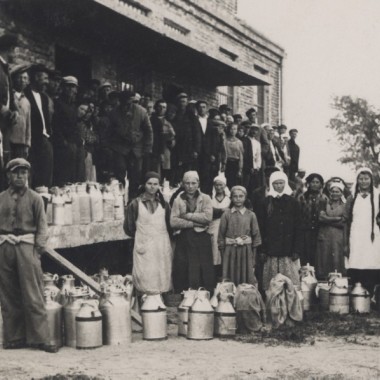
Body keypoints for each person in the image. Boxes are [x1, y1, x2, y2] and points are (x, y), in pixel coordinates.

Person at [0, 158, 57, 352]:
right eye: (16, 172)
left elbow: (42, 227)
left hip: (27, 247)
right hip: (5, 248)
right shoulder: (1, 198)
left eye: (23, 173)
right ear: (8, 175)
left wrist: (37, 250)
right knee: (9, 295)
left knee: (33, 294)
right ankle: (14, 338)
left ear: (28, 175)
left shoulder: (36, 199)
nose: (20, 176)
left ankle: (40, 339)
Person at [124, 172, 172, 294]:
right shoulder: (135, 204)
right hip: (144, 243)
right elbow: (129, 228)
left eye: (155, 184)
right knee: (144, 274)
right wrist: (143, 235)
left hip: (161, 244)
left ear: (159, 186)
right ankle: (143, 298)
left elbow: (170, 224)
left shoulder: (164, 204)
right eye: (149, 183)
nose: (152, 186)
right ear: (144, 185)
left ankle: (159, 299)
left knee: (161, 272)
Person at [170, 171, 214, 292]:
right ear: (183, 184)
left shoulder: (205, 198)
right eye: (187, 183)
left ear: (198, 183)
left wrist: (187, 215)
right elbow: (173, 221)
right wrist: (193, 223)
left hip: (202, 237)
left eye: (193, 183)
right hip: (184, 238)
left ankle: (203, 295)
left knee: (202, 267)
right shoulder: (178, 200)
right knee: (183, 266)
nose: (190, 186)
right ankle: (185, 295)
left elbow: (207, 218)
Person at [261, 171, 302, 291]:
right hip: (271, 248)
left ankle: (289, 303)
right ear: (271, 185)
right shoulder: (266, 202)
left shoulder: (293, 203)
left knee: (289, 281)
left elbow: (298, 227)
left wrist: (296, 249)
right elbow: (262, 226)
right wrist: (263, 249)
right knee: (272, 281)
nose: (279, 186)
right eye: (276, 184)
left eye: (281, 183)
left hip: (288, 248)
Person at [108, 90, 153, 198]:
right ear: (121, 101)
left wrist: (147, 148)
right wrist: (110, 147)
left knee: (135, 176)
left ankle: (133, 200)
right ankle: (120, 198)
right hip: (120, 148)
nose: (128, 105)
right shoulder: (114, 113)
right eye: (126, 103)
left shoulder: (141, 111)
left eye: (131, 102)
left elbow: (148, 130)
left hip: (137, 149)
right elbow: (109, 131)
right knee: (120, 172)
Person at [344, 168, 380, 294]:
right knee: (357, 260)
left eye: (366, 179)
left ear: (371, 180)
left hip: (372, 235)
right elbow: (346, 219)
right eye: (361, 179)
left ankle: (371, 294)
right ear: (357, 180)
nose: (364, 182)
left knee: (371, 260)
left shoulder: (377, 196)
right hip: (356, 235)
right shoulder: (351, 198)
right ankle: (357, 293)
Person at [218, 186, 261, 285]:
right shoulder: (226, 214)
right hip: (230, 251)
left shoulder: (251, 215)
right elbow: (221, 236)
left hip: (246, 250)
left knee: (246, 276)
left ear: (245, 198)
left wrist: (253, 257)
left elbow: (256, 237)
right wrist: (223, 254)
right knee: (230, 275)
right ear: (231, 198)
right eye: (235, 196)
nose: (238, 199)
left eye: (241, 196)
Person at [24, 64, 54, 187]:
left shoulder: (44, 97)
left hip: (45, 138)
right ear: (36, 77)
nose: (47, 82)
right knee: (32, 174)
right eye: (45, 78)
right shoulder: (26, 94)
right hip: (32, 140)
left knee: (46, 175)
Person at [52, 76, 83, 186]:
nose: (71, 90)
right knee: (63, 176)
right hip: (63, 144)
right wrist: (62, 142)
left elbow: (75, 125)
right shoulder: (57, 103)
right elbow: (55, 125)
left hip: (73, 143)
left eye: (73, 87)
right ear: (63, 88)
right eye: (68, 87)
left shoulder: (73, 106)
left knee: (75, 175)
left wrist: (79, 141)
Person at [315, 181, 346, 280]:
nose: (334, 193)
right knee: (323, 260)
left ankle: (337, 284)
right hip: (325, 235)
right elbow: (320, 218)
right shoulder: (324, 202)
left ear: (341, 193)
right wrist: (337, 219)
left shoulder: (345, 205)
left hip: (338, 237)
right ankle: (323, 286)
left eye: (337, 191)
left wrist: (327, 219)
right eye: (332, 191)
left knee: (337, 259)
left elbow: (344, 223)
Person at [194, 100, 225, 195]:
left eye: (204, 107)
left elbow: (216, 141)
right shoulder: (194, 121)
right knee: (197, 177)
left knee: (208, 178)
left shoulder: (211, 123)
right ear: (197, 109)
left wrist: (213, 154)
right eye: (200, 107)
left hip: (209, 156)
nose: (202, 109)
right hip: (198, 155)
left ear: (206, 109)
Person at [298, 173, 328, 266]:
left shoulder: (325, 198)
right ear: (308, 184)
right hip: (305, 230)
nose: (315, 184)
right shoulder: (302, 197)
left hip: (320, 230)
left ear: (321, 184)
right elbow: (298, 214)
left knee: (318, 255)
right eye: (312, 182)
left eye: (317, 182)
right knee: (305, 254)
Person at [208, 175, 231, 279]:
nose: (218, 187)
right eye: (216, 185)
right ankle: (215, 273)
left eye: (220, 185)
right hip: (213, 226)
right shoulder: (210, 199)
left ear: (224, 185)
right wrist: (222, 211)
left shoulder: (229, 199)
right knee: (214, 249)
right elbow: (209, 213)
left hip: (226, 226)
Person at [150, 99, 175, 180]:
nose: (161, 109)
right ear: (156, 107)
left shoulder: (168, 123)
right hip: (152, 150)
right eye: (160, 107)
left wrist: (171, 140)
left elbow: (173, 139)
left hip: (164, 151)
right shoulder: (150, 119)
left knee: (163, 174)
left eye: (164, 107)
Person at [10, 64, 31, 159]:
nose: (22, 80)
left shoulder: (27, 102)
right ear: (14, 79)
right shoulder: (9, 96)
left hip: (21, 143)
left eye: (25, 78)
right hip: (9, 139)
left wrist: (27, 144)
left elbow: (28, 125)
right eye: (19, 77)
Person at [242, 124, 262, 193]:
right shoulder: (245, 140)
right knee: (245, 185)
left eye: (256, 130)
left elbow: (258, 156)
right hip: (246, 166)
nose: (254, 132)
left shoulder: (257, 143)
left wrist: (257, 166)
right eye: (253, 130)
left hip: (255, 167)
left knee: (253, 185)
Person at [225, 123, 244, 188]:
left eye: (234, 129)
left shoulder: (239, 142)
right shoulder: (225, 141)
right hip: (227, 164)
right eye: (231, 129)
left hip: (235, 164)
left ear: (237, 130)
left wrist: (240, 169)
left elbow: (241, 157)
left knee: (235, 183)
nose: (233, 131)